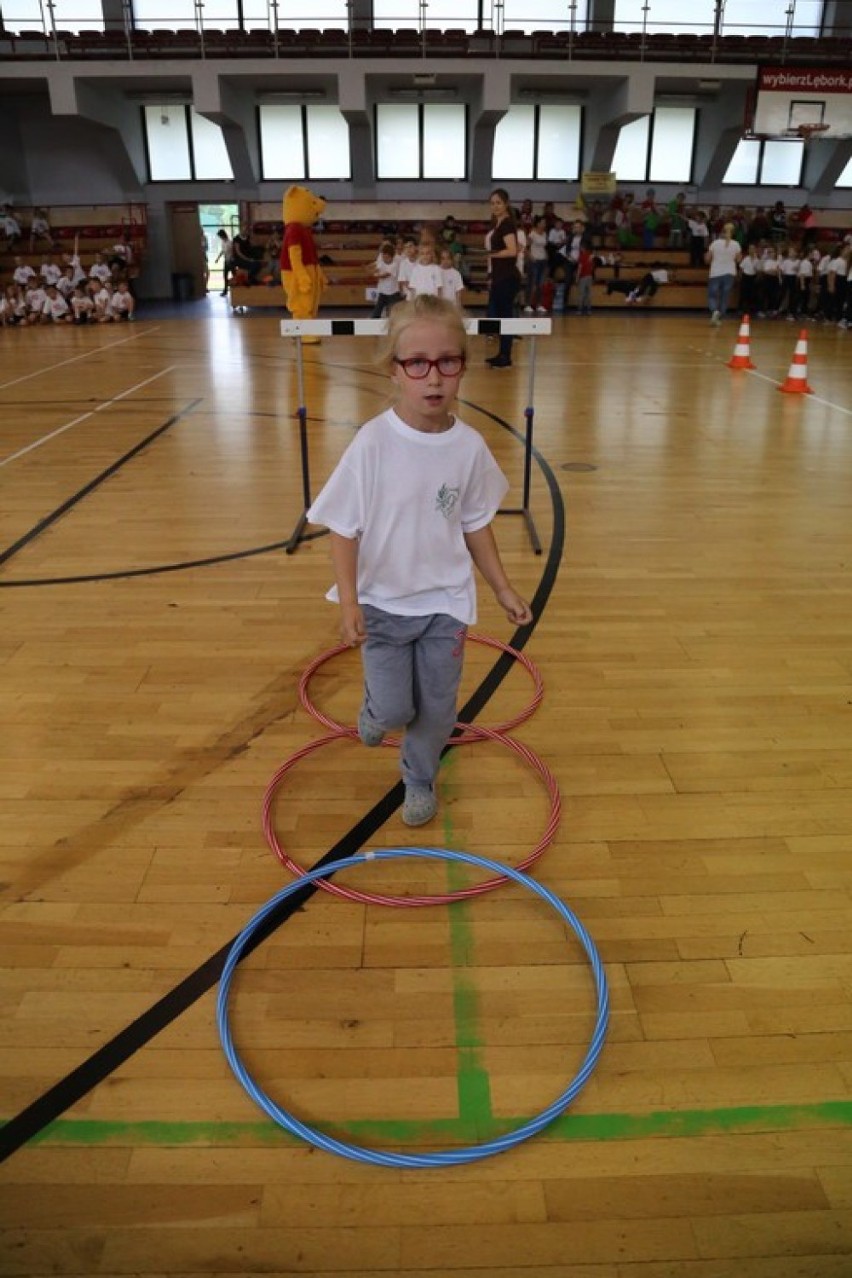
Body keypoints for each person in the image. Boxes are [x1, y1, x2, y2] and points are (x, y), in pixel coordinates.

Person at [305, 294, 532, 827]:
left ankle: (419, 778)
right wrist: (350, 603)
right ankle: (373, 710)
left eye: (448, 362)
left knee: (436, 709)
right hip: (383, 606)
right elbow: (343, 527)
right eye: (418, 364)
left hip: (445, 605)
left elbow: (476, 523)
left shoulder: (470, 447)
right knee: (393, 712)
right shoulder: (373, 443)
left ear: (463, 368)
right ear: (394, 370)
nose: (434, 378)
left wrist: (502, 588)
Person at [484, 188, 519, 368]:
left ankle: (506, 356)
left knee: (506, 317)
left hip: (507, 277)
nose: (495, 206)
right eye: (492, 203)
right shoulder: (497, 224)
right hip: (499, 277)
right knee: (500, 318)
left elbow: (513, 250)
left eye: (498, 202)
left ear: (506, 204)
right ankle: (502, 353)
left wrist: (492, 254)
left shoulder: (506, 224)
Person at [705, 222, 742, 325]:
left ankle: (714, 311)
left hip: (715, 272)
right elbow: (739, 260)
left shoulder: (715, 243)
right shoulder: (736, 244)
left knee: (712, 295)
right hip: (730, 272)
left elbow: (707, 259)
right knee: (724, 296)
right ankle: (720, 316)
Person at [370, 238, 402, 317]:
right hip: (382, 292)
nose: (385, 259)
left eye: (387, 258)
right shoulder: (381, 262)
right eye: (383, 257)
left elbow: (385, 275)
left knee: (392, 313)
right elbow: (376, 268)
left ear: (392, 257)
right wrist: (371, 269)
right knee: (376, 312)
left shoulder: (394, 265)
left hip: (393, 292)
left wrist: (374, 275)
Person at [215, 228, 235, 295]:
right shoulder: (223, 242)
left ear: (223, 235)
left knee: (234, 276)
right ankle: (225, 290)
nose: (220, 238)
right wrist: (218, 258)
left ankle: (237, 290)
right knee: (225, 276)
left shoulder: (230, 242)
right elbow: (222, 251)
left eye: (220, 236)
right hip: (226, 261)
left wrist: (230, 259)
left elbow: (232, 252)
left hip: (231, 261)